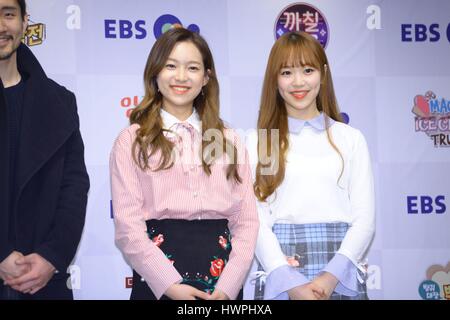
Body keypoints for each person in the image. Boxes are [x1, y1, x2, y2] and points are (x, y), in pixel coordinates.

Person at [110, 28, 259, 300]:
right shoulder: (132, 141)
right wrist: (167, 284)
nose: (181, 77)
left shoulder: (229, 139)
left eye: (192, 68)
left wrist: (227, 287)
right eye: (170, 66)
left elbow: (246, 221)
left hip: (222, 282)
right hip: (157, 282)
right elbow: (127, 226)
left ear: (206, 77)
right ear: (155, 73)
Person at [246, 31, 375, 300]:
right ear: (274, 78)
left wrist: (330, 277)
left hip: (340, 272)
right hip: (281, 271)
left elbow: (364, 219)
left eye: (307, 70)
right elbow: (256, 219)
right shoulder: (261, 141)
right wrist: (289, 281)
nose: (298, 82)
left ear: (323, 73)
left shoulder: (349, 138)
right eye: (286, 72)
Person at [0, 0, 90, 300]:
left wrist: (52, 256)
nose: (1, 26)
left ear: (25, 22)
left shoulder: (60, 103)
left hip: (42, 280)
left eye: (8, 14)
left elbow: (74, 187)